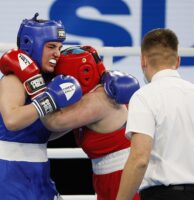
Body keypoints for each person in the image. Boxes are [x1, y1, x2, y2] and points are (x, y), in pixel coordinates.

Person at [115, 28, 194, 200]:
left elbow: (140, 159)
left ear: (143, 61)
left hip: (160, 195)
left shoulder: (144, 96)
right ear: (178, 61)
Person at [0, 13, 83, 200]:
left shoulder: (44, 85)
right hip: (12, 175)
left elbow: (44, 131)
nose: (57, 53)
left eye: (60, 47)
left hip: (40, 172)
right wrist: (51, 99)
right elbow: (12, 121)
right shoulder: (12, 81)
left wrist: (74, 120)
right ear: (31, 44)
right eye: (51, 46)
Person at [42, 45, 141, 200]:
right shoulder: (91, 97)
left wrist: (39, 93)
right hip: (108, 177)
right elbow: (48, 134)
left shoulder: (98, 99)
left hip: (122, 177)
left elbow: (54, 122)